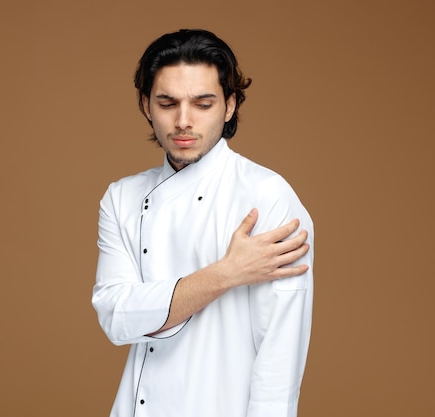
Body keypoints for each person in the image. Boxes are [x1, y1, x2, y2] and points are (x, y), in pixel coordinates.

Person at [92, 28, 314, 417]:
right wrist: (227, 273)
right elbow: (116, 316)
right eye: (167, 103)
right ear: (146, 105)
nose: (183, 121)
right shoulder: (122, 198)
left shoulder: (267, 196)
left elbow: (279, 357)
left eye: (202, 103)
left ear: (229, 106)